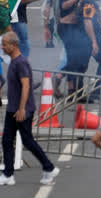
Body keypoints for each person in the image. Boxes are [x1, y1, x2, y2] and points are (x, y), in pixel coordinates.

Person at [0, 32, 60, 186]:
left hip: (21, 110)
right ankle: (8, 174)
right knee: (7, 140)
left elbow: (26, 85)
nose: (2, 47)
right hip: (13, 109)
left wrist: (21, 109)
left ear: (13, 45)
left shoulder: (21, 63)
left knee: (27, 140)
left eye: (4, 44)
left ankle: (49, 167)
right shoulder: (14, 61)